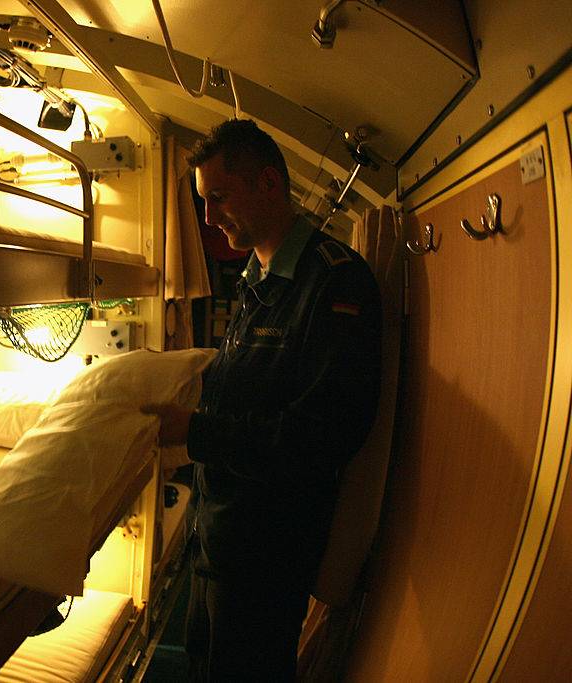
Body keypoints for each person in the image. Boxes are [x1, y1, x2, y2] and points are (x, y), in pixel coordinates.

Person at [144, 119, 382, 681]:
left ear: (269, 183)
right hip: (215, 547)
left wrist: (194, 431)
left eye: (219, 197)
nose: (209, 218)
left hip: (265, 564)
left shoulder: (334, 284)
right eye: (203, 202)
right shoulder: (255, 283)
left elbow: (323, 434)